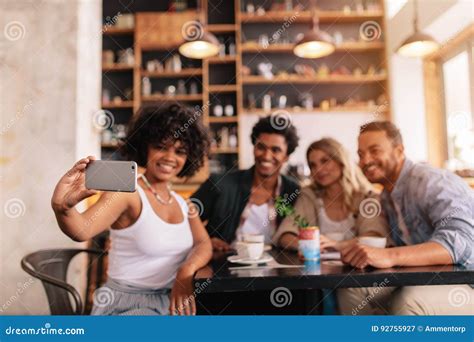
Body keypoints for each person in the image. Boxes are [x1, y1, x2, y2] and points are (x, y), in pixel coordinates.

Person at [51, 104, 212, 316]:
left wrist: (186, 271)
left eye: (180, 151)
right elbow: (81, 230)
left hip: (169, 301)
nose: (170, 157)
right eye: (162, 147)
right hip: (127, 307)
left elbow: (203, 243)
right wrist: (62, 208)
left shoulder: (183, 203)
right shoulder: (128, 193)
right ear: (145, 147)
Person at [338, 121, 474, 315]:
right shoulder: (386, 195)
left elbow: (460, 244)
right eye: (360, 154)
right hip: (427, 278)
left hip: (467, 283)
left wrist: (389, 256)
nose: (365, 161)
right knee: (352, 289)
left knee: (409, 301)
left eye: (374, 151)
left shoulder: (431, 181)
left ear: (399, 151)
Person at [192, 115, 300, 250]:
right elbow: (183, 221)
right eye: (261, 147)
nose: (266, 156)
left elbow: (304, 229)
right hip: (225, 265)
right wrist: (205, 241)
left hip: (277, 267)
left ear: (286, 157)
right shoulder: (220, 184)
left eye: (275, 150)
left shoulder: (293, 191)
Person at [275, 138, 390, 251]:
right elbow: (286, 234)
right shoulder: (309, 196)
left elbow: (374, 238)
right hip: (318, 268)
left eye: (325, 161)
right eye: (313, 165)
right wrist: (305, 246)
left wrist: (337, 245)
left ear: (341, 161)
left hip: (360, 268)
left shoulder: (368, 197)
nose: (318, 169)